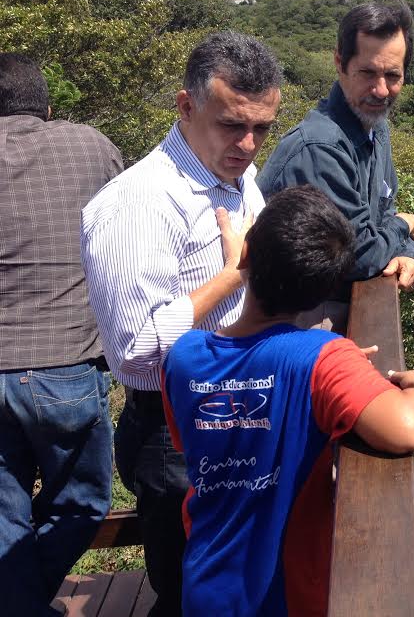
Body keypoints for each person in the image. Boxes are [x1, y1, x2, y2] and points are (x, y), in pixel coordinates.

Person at [161, 185, 414, 616]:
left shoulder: (182, 357)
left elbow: (203, 432)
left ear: (245, 255)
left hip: (204, 584)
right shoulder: (322, 359)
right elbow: (405, 427)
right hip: (284, 593)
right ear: (323, 289)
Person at [81, 32, 283, 617]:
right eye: (232, 125)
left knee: (235, 579)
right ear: (186, 106)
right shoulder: (138, 204)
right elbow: (137, 355)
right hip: (174, 430)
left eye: (262, 128)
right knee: (192, 590)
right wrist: (232, 275)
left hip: (237, 406)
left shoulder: (236, 173)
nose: (248, 145)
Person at [0, 53, 123, 616]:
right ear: (47, 108)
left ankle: (17, 601)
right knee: (80, 505)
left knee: (4, 516)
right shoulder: (89, 146)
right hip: (64, 365)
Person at [257, 1, 414, 331]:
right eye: (367, 72)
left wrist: (409, 255)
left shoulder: (374, 126)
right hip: (292, 324)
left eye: (392, 76)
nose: (380, 90)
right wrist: (405, 225)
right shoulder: (321, 147)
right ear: (339, 62)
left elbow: (381, 216)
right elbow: (359, 256)